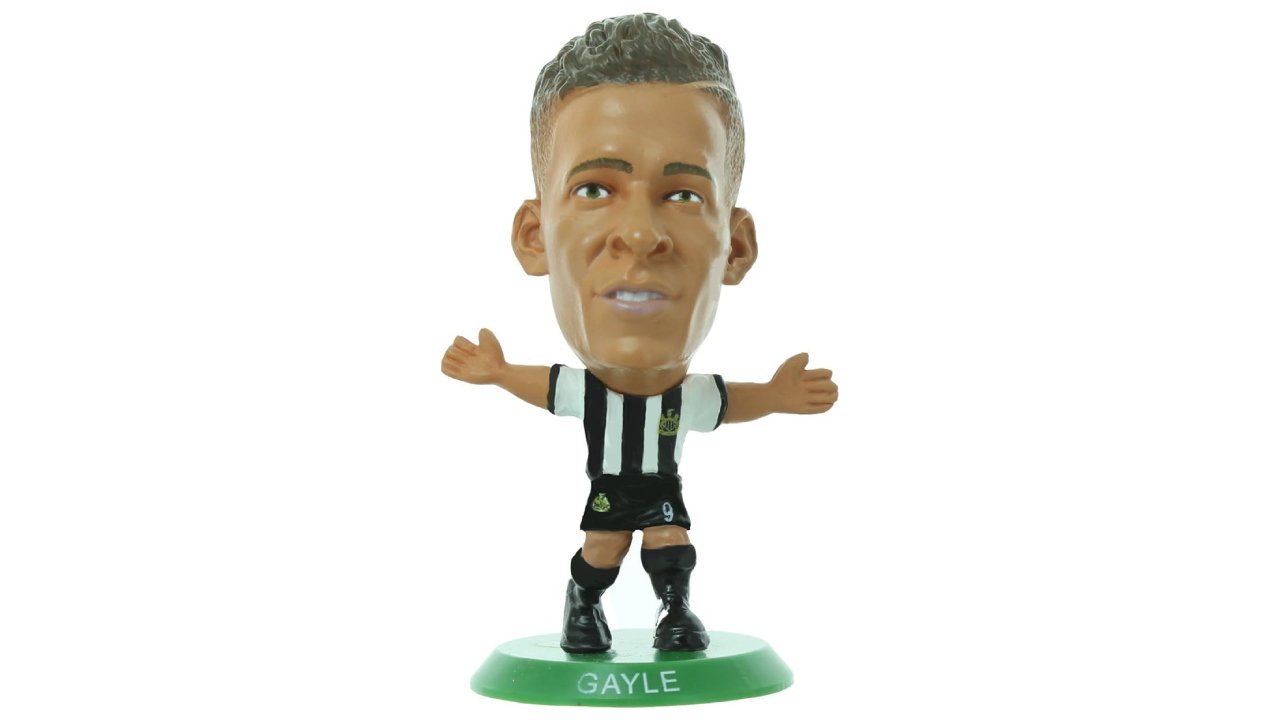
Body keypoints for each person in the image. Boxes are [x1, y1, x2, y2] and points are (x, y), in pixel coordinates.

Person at [440, 13, 838, 653]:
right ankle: (583, 604)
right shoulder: (590, 396)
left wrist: (779, 395)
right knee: (603, 547)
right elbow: (548, 387)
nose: (641, 234)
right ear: (535, 237)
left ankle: (674, 611)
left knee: (671, 543)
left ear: (735, 248)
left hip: (660, 489)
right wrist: (497, 372)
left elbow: (731, 402)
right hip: (611, 488)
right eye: (595, 188)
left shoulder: (686, 398)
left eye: (683, 196)